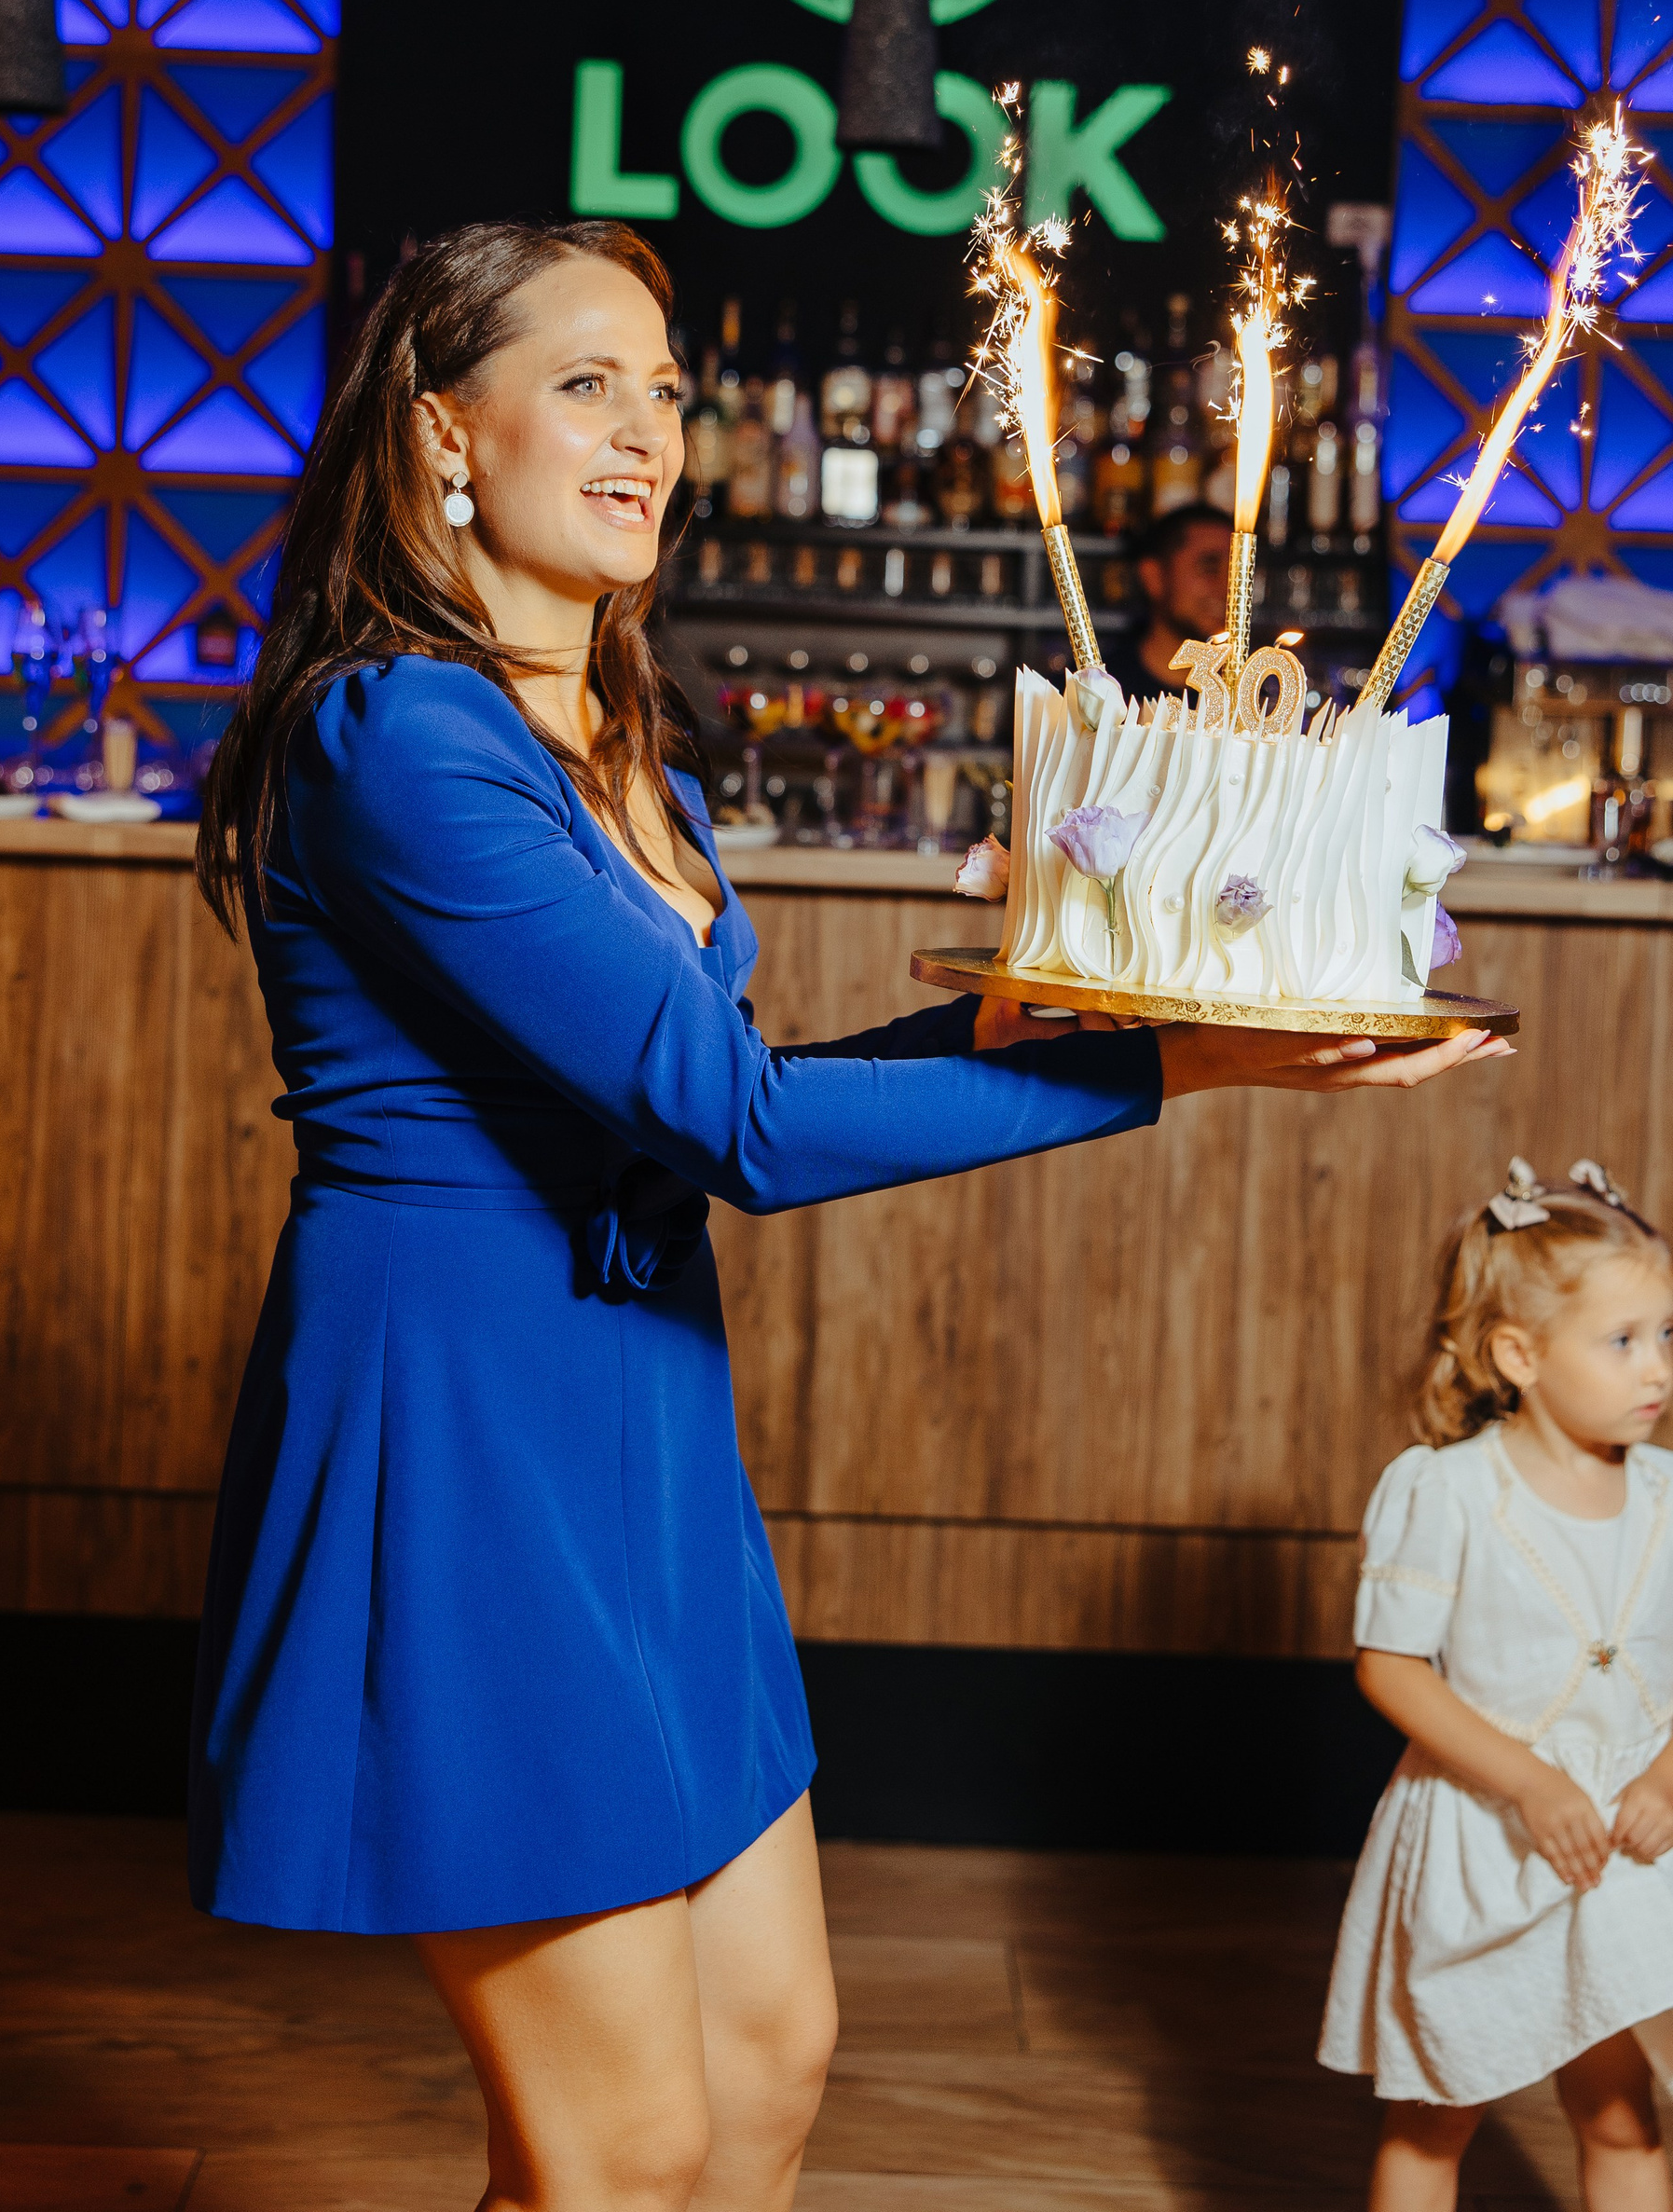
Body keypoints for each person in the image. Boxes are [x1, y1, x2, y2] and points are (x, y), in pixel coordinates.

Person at [188, 219, 1503, 2212]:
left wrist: (1103, 1004)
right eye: (587, 384)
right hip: (461, 1421)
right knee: (617, 2150)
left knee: (768, 2063)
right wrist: (1173, 1065)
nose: (650, 432)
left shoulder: (619, 734)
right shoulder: (399, 736)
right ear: (445, 432)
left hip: (643, 1410)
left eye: (667, 391)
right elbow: (745, 1127)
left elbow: (711, 1082)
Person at [1320, 1158, 1673, 2211]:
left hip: (1625, 1843)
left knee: (1622, 2112)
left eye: (1667, 1335)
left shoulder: (1665, 1495)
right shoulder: (1449, 1492)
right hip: (1487, 1838)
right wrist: (1528, 1781)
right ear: (1520, 1355)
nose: (1657, 1368)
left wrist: (1665, 1775)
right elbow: (1391, 1666)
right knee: (1437, 2114)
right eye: (1622, 1341)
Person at [1111, 501, 1233, 708]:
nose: (1228, 587)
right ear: (1153, 577)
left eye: (1236, 572)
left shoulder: (1250, 696)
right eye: (1209, 567)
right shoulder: (1099, 691)